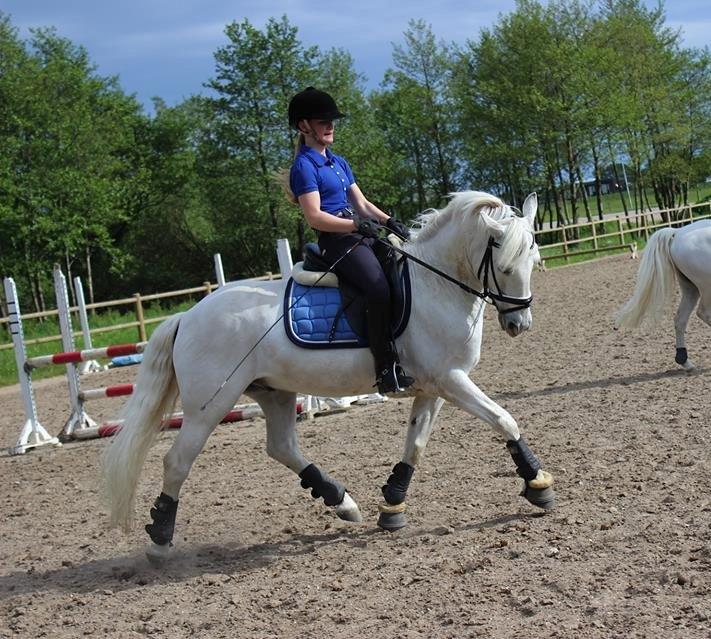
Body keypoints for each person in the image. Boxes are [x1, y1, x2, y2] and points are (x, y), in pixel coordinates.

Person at [287, 86, 413, 394]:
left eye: (332, 120)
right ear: (304, 126)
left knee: (401, 271)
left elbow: (363, 203)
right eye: (323, 121)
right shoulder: (304, 167)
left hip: (360, 234)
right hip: (337, 242)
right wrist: (354, 224)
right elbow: (315, 217)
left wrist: (389, 222)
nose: (330, 126)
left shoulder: (338, 162)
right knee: (377, 286)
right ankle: (384, 368)